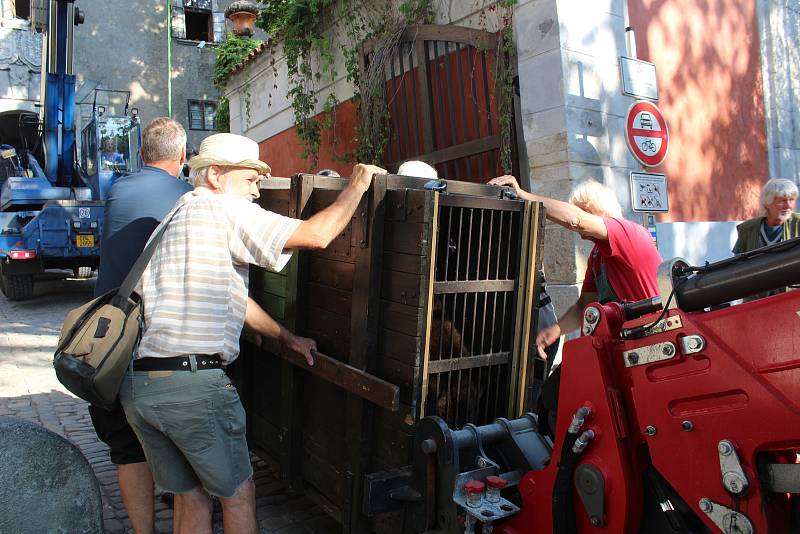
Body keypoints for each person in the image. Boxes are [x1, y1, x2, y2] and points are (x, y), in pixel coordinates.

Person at [118, 132, 386, 533]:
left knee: (191, 498)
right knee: (238, 497)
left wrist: (287, 338)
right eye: (250, 180)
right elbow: (317, 235)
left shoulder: (173, 219)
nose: (257, 192)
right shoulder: (221, 209)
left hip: (142, 388)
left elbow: (231, 299)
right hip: (192, 388)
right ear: (215, 176)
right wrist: (358, 185)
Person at [91, 117, 193, 534]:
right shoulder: (190, 197)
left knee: (127, 446)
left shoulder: (119, 190)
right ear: (183, 156)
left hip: (112, 335)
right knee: (181, 439)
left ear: (140, 154)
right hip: (160, 334)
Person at [487, 176, 663, 356]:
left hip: (651, 340)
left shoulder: (628, 232)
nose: (578, 233)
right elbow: (583, 307)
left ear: (590, 210)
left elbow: (576, 220)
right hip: (623, 347)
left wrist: (522, 195)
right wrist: (552, 332)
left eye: (581, 211)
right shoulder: (597, 256)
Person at [732, 177, 799, 299]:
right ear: (768, 203)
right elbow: (736, 266)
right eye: (782, 201)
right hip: (757, 300)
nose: (788, 205)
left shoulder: (798, 224)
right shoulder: (748, 230)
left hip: (792, 299)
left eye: (792, 200)